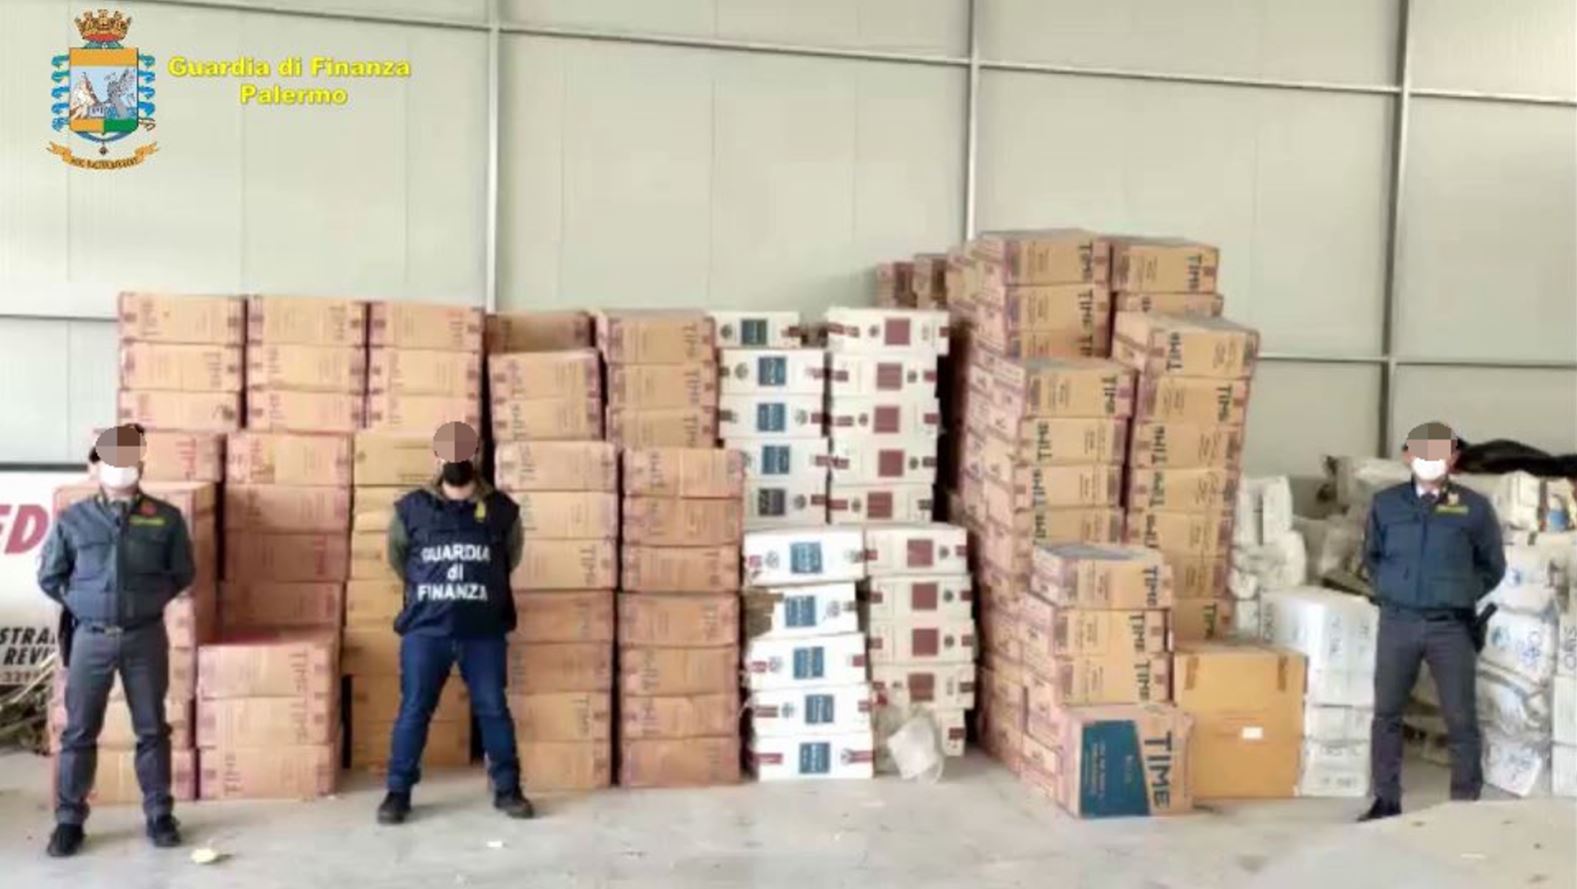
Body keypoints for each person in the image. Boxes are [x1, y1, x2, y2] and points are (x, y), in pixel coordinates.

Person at [38, 424, 194, 857]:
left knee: (151, 729)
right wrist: (86, 604)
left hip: (145, 638)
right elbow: (50, 576)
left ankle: (160, 814)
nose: (120, 467)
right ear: (97, 465)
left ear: (141, 464)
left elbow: (183, 573)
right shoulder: (74, 519)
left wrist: (148, 601)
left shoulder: (166, 518)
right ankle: (69, 821)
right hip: (90, 639)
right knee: (79, 732)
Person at [377, 440, 533, 824]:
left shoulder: (502, 510)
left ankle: (509, 790)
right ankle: (397, 794)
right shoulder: (411, 509)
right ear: (437, 459)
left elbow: (508, 559)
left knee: (494, 710)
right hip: (426, 631)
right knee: (414, 710)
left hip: (482, 632)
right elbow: (400, 559)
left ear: (475, 457)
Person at [1360, 421, 1506, 821]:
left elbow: (1493, 566)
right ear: (1408, 456)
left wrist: (1458, 591)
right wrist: (1394, 587)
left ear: (1453, 459)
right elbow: (1371, 557)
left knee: (1460, 718)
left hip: (1451, 627)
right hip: (1398, 623)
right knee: (1387, 713)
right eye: (1421, 453)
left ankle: (1464, 803)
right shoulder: (1386, 504)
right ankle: (1386, 799)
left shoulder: (1473, 508)